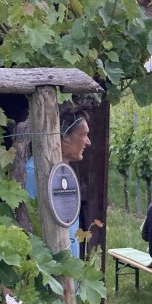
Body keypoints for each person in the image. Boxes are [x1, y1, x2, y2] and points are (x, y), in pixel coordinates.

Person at [25, 104, 91, 258]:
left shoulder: (64, 173)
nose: (88, 142)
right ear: (65, 138)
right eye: (84, 135)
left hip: (68, 273)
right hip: (50, 271)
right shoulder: (33, 172)